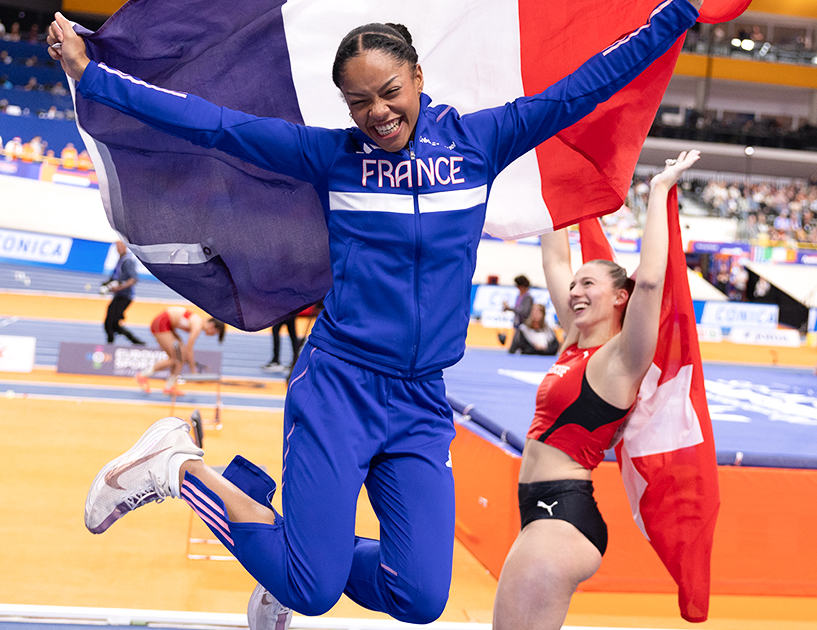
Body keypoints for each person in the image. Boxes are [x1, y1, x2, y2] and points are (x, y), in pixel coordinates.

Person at [50, 2, 701, 627]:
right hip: (340, 388)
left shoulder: (481, 143)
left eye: (389, 90)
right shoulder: (332, 158)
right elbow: (211, 124)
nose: (378, 112)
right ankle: (176, 466)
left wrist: (679, 13)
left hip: (420, 402)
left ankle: (285, 564)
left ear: (418, 76)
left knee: (419, 596)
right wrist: (94, 78)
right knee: (312, 588)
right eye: (359, 101)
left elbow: (585, 86)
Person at [492, 151, 699, 630]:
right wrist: (551, 169)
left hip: (562, 511)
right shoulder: (575, 340)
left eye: (589, 284)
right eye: (575, 285)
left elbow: (650, 282)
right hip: (545, 510)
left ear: (619, 297)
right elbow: (554, 254)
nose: (575, 290)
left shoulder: (623, 358)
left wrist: (661, 191)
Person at [136, 306, 225, 395]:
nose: (213, 335)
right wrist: (193, 371)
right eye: (215, 333)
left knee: (180, 357)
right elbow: (189, 349)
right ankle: (143, 375)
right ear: (212, 326)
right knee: (174, 358)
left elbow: (186, 350)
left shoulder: (197, 322)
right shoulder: (197, 325)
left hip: (168, 325)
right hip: (162, 322)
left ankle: (169, 387)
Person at [102, 240, 145, 346]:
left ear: (125, 247)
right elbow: (113, 278)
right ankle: (134, 342)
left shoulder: (128, 261)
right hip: (119, 295)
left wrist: (119, 287)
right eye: (117, 246)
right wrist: (106, 286)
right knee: (112, 323)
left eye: (121, 246)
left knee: (111, 322)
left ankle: (132, 342)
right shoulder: (120, 260)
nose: (119, 249)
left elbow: (133, 279)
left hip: (125, 296)